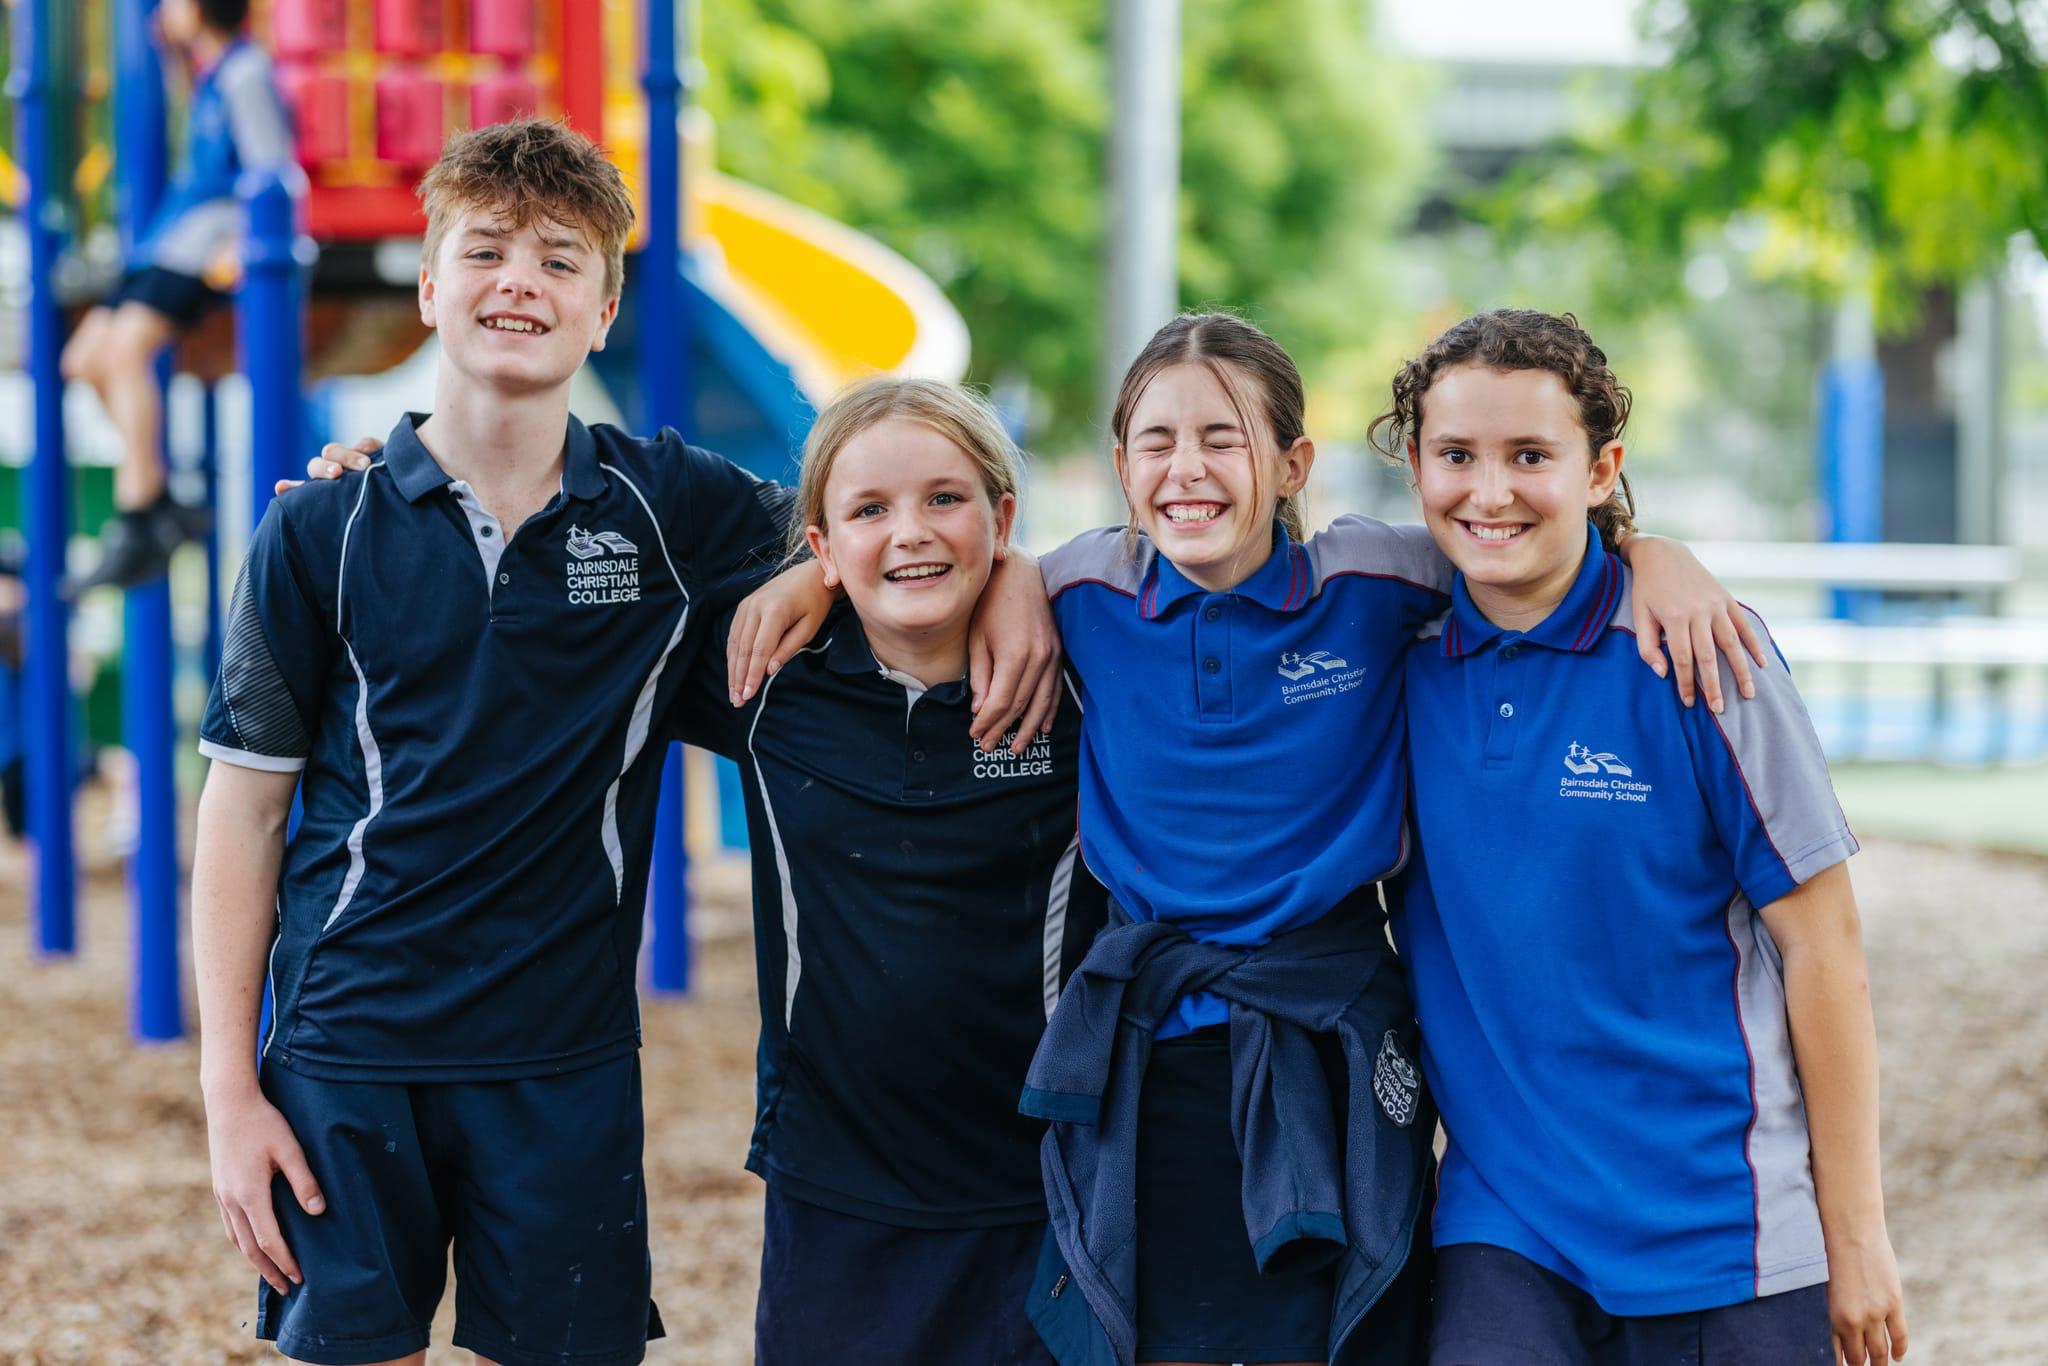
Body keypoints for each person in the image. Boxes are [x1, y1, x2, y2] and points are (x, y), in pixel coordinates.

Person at [193, 118, 1057, 1366]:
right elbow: (244, 813)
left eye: (560, 261)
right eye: (484, 250)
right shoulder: (317, 531)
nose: (518, 282)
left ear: (604, 311)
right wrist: (232, 1089)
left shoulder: (673, 506)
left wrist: (1021, 570)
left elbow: (876, 530)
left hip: (564, 1057)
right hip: (346, 1047)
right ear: (429, 286)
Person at [1008, 312, 1765, 1366]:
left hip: (1339, 1039)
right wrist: (812, 575)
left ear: (1291, 464)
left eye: (1222, 438)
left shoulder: (1377, 579)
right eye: (1156, 441)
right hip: (1154, 1042)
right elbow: (937, 574)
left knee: (1348, 1331)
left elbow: (1521, 542)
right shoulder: (1071, 591)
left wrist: (1652, 555)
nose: (1187, 469)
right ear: (1121, 465)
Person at [1375, 309, 1907, 1366]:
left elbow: (1822, 946)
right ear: (1415, 469)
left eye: (1529, 455)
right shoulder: (1394, 652)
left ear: (1599, 466)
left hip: (1724, 1226)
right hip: (1506, 1224)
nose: (1487, 492)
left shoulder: (1701, 654)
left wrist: (1857, 1239)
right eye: (1454, 457)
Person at [675, 377, 1106, 1365]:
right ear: (821, 546)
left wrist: (1026, 574)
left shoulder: (1086, 678)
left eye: (943, 499)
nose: (909, 529)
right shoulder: (766, 677)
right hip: (833, 1187)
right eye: (868, 510)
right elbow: (620, 521)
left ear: (1001, 516)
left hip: (1041, 1184)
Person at [61, 0, 293, 594]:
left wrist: (240, 243)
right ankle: (162, 498)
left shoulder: (246, 72)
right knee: (83, 359)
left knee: (122, 354)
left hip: (198, 245)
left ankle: (141, 511)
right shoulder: (213, 70)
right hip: (167, 240)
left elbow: (271, 167)